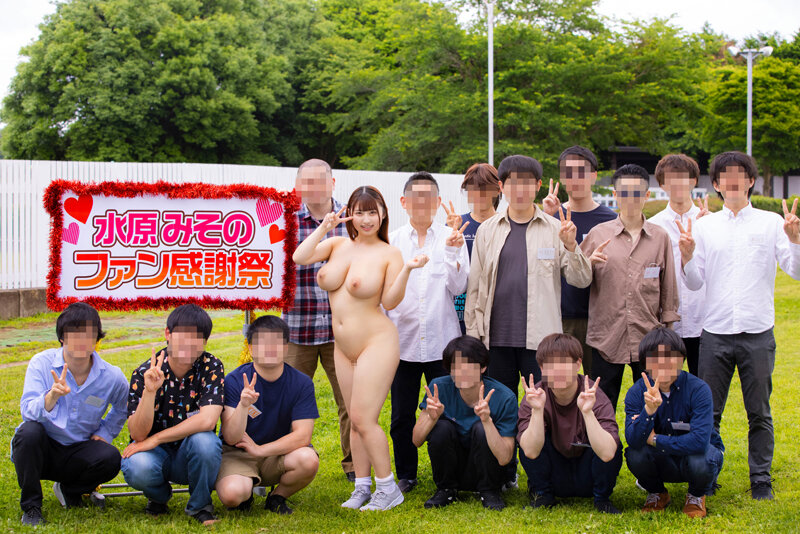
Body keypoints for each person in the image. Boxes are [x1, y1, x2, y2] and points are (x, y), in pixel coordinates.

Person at [293, 185, 428, 511]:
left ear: (382, 214)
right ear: (349, 214)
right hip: (343, 347)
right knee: (354, 420)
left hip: (375, 343)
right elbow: (300, 257)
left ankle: (388, 488)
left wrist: (407, 270)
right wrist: (325, 227)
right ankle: (362, 487)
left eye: (372, 212)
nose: (366, 219)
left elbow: (390, 301)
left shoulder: (389, 253)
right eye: (359, 211)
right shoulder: (337, 244)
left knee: (364, 419)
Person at [677, 151, 800, 500]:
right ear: (716, 184)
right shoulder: (705, 226)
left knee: (759, 412)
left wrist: (795, 239)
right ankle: (707, 472)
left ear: (750, 181)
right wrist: (686, 257)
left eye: (739, 174)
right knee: (709, 412)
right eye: (724, 175)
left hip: (757, 332)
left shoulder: (771, 223)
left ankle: (760, 478)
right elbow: (694, 283)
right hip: (715, 333)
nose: (732, 181)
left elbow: (795, 271)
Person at [465, 154, 592, 397]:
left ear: (538, 185)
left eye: (527, 183)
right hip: (496, 339)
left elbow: (581, 279)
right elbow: (475, 288)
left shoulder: (556, 229)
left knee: (543, 403)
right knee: (500, 405)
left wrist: (571, 246)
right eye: (513, 183)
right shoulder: (486, 230)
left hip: (542, 340)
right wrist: (473, 337)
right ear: (501, 187)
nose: (520, 190)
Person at [386, 171, 469, 493]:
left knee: (446, 412)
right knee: (401, 415)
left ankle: (448, 474)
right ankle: (406, 474)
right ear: (404, 202)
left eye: (429, 197)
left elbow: (459, 287)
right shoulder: (392, 241)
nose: (422, 202)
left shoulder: (452, 236)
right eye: (415, 196)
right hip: (401, 343)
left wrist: (452, 252)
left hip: (441, 343)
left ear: (437, 202)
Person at [12, 302, 128, 526]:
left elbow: (123, 407)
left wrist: (106, 432)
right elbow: (27, 410)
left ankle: (70, 489)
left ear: (97, 338)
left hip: (79, 449)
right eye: (74, 332)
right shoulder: (42, 363)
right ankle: (32, 508)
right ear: (62, 337)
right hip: (43, 448)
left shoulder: (111, 376)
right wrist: (51, 397)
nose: (82, 340)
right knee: (28, 433)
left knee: (111, 458)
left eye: (89, 333)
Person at [581, 164, 679, 410]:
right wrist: (587, 263)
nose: (631, 198)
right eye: (624, 192)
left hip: (648, 335)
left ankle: (646, 436)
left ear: (647, 195)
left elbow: (668, 286)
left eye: (637, 193)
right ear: (615, 195)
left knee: (652, 403)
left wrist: (668, 329)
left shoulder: (660, 237)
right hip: (606, 336)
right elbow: (577, 278)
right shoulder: (598, 234)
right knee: (601, 405)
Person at [120, 304, 225, 526]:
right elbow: (137, 434)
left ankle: (200, 506)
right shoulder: (144, 372)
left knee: (206, 442)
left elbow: (208, 420)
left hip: (190, 452)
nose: (190, 343)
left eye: (198, 337)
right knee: (137, 466)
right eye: (184, 334)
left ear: (205, 342)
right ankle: (159, 497)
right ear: (168, 333)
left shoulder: (211, 367)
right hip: (154, 455)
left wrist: (157, 438)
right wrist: (150, 392)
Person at [283, 158, 353, 481]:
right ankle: (290, 460)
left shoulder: (351, 217)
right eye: (306, 182)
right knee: (288, 400)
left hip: (342, 330)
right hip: (298, 327)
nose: (313, 188)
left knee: (350, 400)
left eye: (319, 180)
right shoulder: (285, 221)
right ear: (298, 186)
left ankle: (354, 465)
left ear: (332, 183)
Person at [216, 316, 319, 514]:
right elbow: (230, 437)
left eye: (277, 342)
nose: (270, 348)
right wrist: (243, 405)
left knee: (308, 459)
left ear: (286, 347)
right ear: (251, 348)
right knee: (232, 495)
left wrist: (260, 450)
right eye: (263, 343)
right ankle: (245, 493)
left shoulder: (302, 383)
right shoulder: (234, 380)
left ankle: (277, 497)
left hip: (277, 454)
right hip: (238, 454)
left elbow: (303, 436)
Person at [517, 333, 622, 514]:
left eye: (564, 364)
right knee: (528, 435)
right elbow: (530, 452)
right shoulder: (535, 396)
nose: (557, 371)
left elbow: (607, 453)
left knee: (612, 441)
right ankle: (543, 494)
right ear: (541, 368)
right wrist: (537, 411)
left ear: (578, 364)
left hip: (588, 474)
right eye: (550, 365)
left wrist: (588, 413)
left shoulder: (594, 395)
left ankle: (601, 498)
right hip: (555, 473)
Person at [624, 327, 724, 518]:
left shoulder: (698, 389)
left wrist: (655, 440)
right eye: (655, 358)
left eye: (670, 356)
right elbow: (634, 441)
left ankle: (696, 496)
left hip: (695, 456)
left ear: (682, 359)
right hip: (661, 458)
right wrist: (648, 411)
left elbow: (700, 442)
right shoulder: (637, 392)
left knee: (701, 457)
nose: (663, 363)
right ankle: (657, 493)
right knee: (635, 455)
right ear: (645, 363)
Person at [412, 336, 517, 511]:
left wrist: (487, 421)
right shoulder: (439, 388)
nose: (462, 372)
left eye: (469, 366)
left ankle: (489, 491)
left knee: (482, 428)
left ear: (483, 367)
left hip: (491, 468)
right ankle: (446, 489)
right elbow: (416, 440)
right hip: (456, 466)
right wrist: (431, 417)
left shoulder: (504, 397)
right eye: (456, 366)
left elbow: (505, 457)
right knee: (441, 428)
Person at [541, 146, 618, 376]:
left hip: (598, 317)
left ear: (593, 176)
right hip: (559, 315)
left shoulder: (610, 220)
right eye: (568, 172)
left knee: (597, 385)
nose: (574, 178)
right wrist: (547, 217)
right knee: (558, 383)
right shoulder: (550, 217)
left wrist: (589, 263)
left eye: (581, 172)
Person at [648, 154, 708, 375]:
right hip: (668, 322)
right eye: (671, 179)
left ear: (693, 181)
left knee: (704, 384)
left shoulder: (710, 222)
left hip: (705, 320)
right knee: (668, 382)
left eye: (683, 177)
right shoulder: (653, 226)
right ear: (662, 184)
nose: (678, 184)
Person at [448, 163, 501, 334]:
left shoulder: (506, 225)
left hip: (497, 309)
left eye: (484, 188)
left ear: (497, 190)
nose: (477, 194)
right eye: (472, 189)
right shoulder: (456, 226)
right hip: (461, 308)